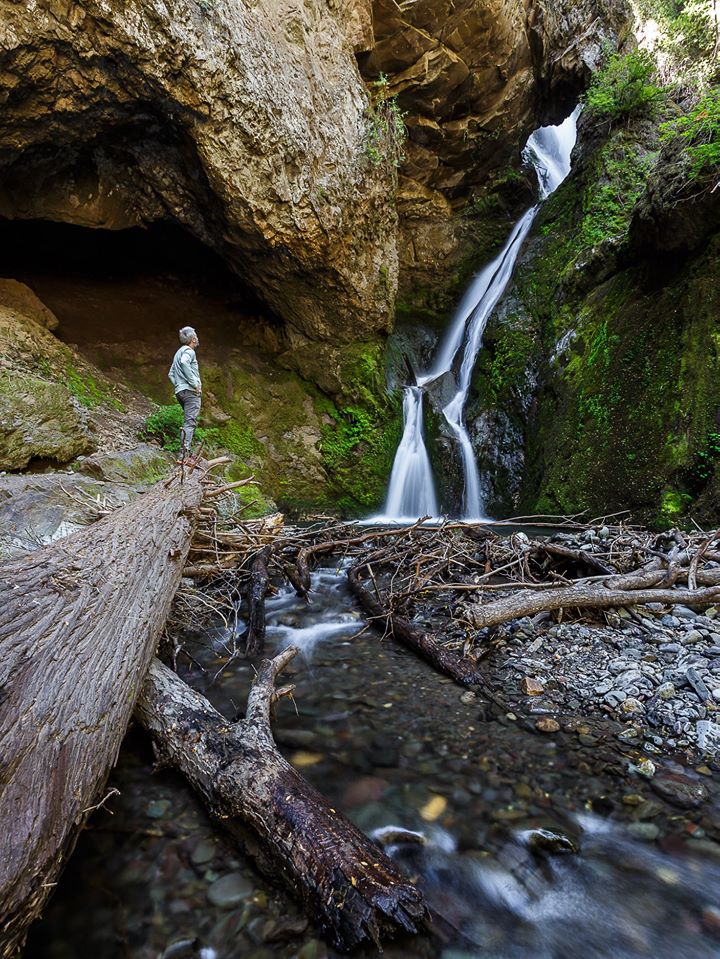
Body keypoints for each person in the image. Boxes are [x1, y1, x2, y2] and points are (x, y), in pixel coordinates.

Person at [168, 326, 202, 458]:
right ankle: (184, 453)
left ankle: (185, 451)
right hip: (190, 392)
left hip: (180, 392)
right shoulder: (189, 351)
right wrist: (194, 384)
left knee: (188, 421)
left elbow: (171, 374)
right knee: (190, 422)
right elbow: (184, 362)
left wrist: (179, 385)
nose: (197, 339)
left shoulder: (178, 352)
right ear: (193, 339)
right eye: (196, 337)